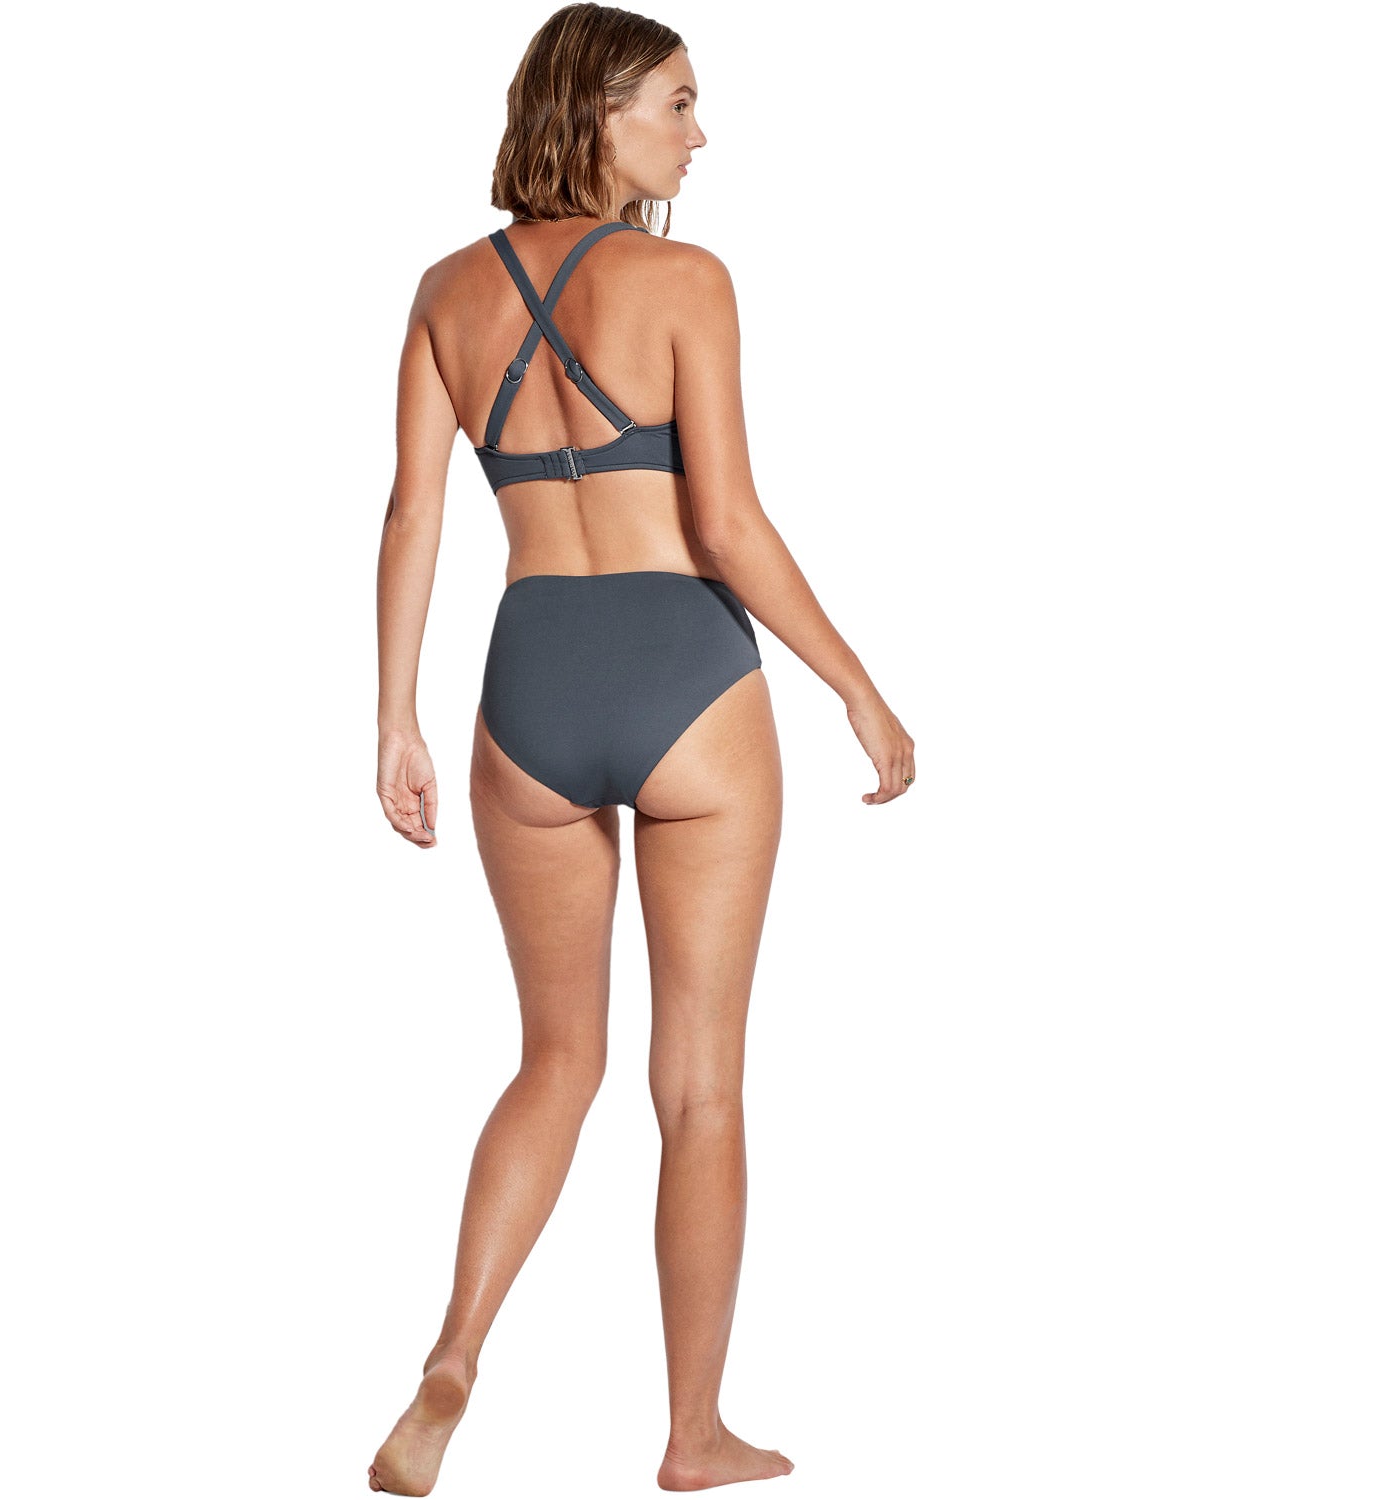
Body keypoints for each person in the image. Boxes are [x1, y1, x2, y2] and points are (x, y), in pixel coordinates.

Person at [370, 5, 915, 1492]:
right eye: (675, 103)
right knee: (701, 1086)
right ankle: (693, 1434)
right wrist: (858, 688)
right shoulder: (686, 280)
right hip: (686, 678)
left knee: (555, 1059)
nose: (698, 132)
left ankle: (453, 1356)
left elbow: (413, 514)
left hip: (527, 683)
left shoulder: (445, 292)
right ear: (599, 114)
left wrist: (396, 718)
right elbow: (725, 524)